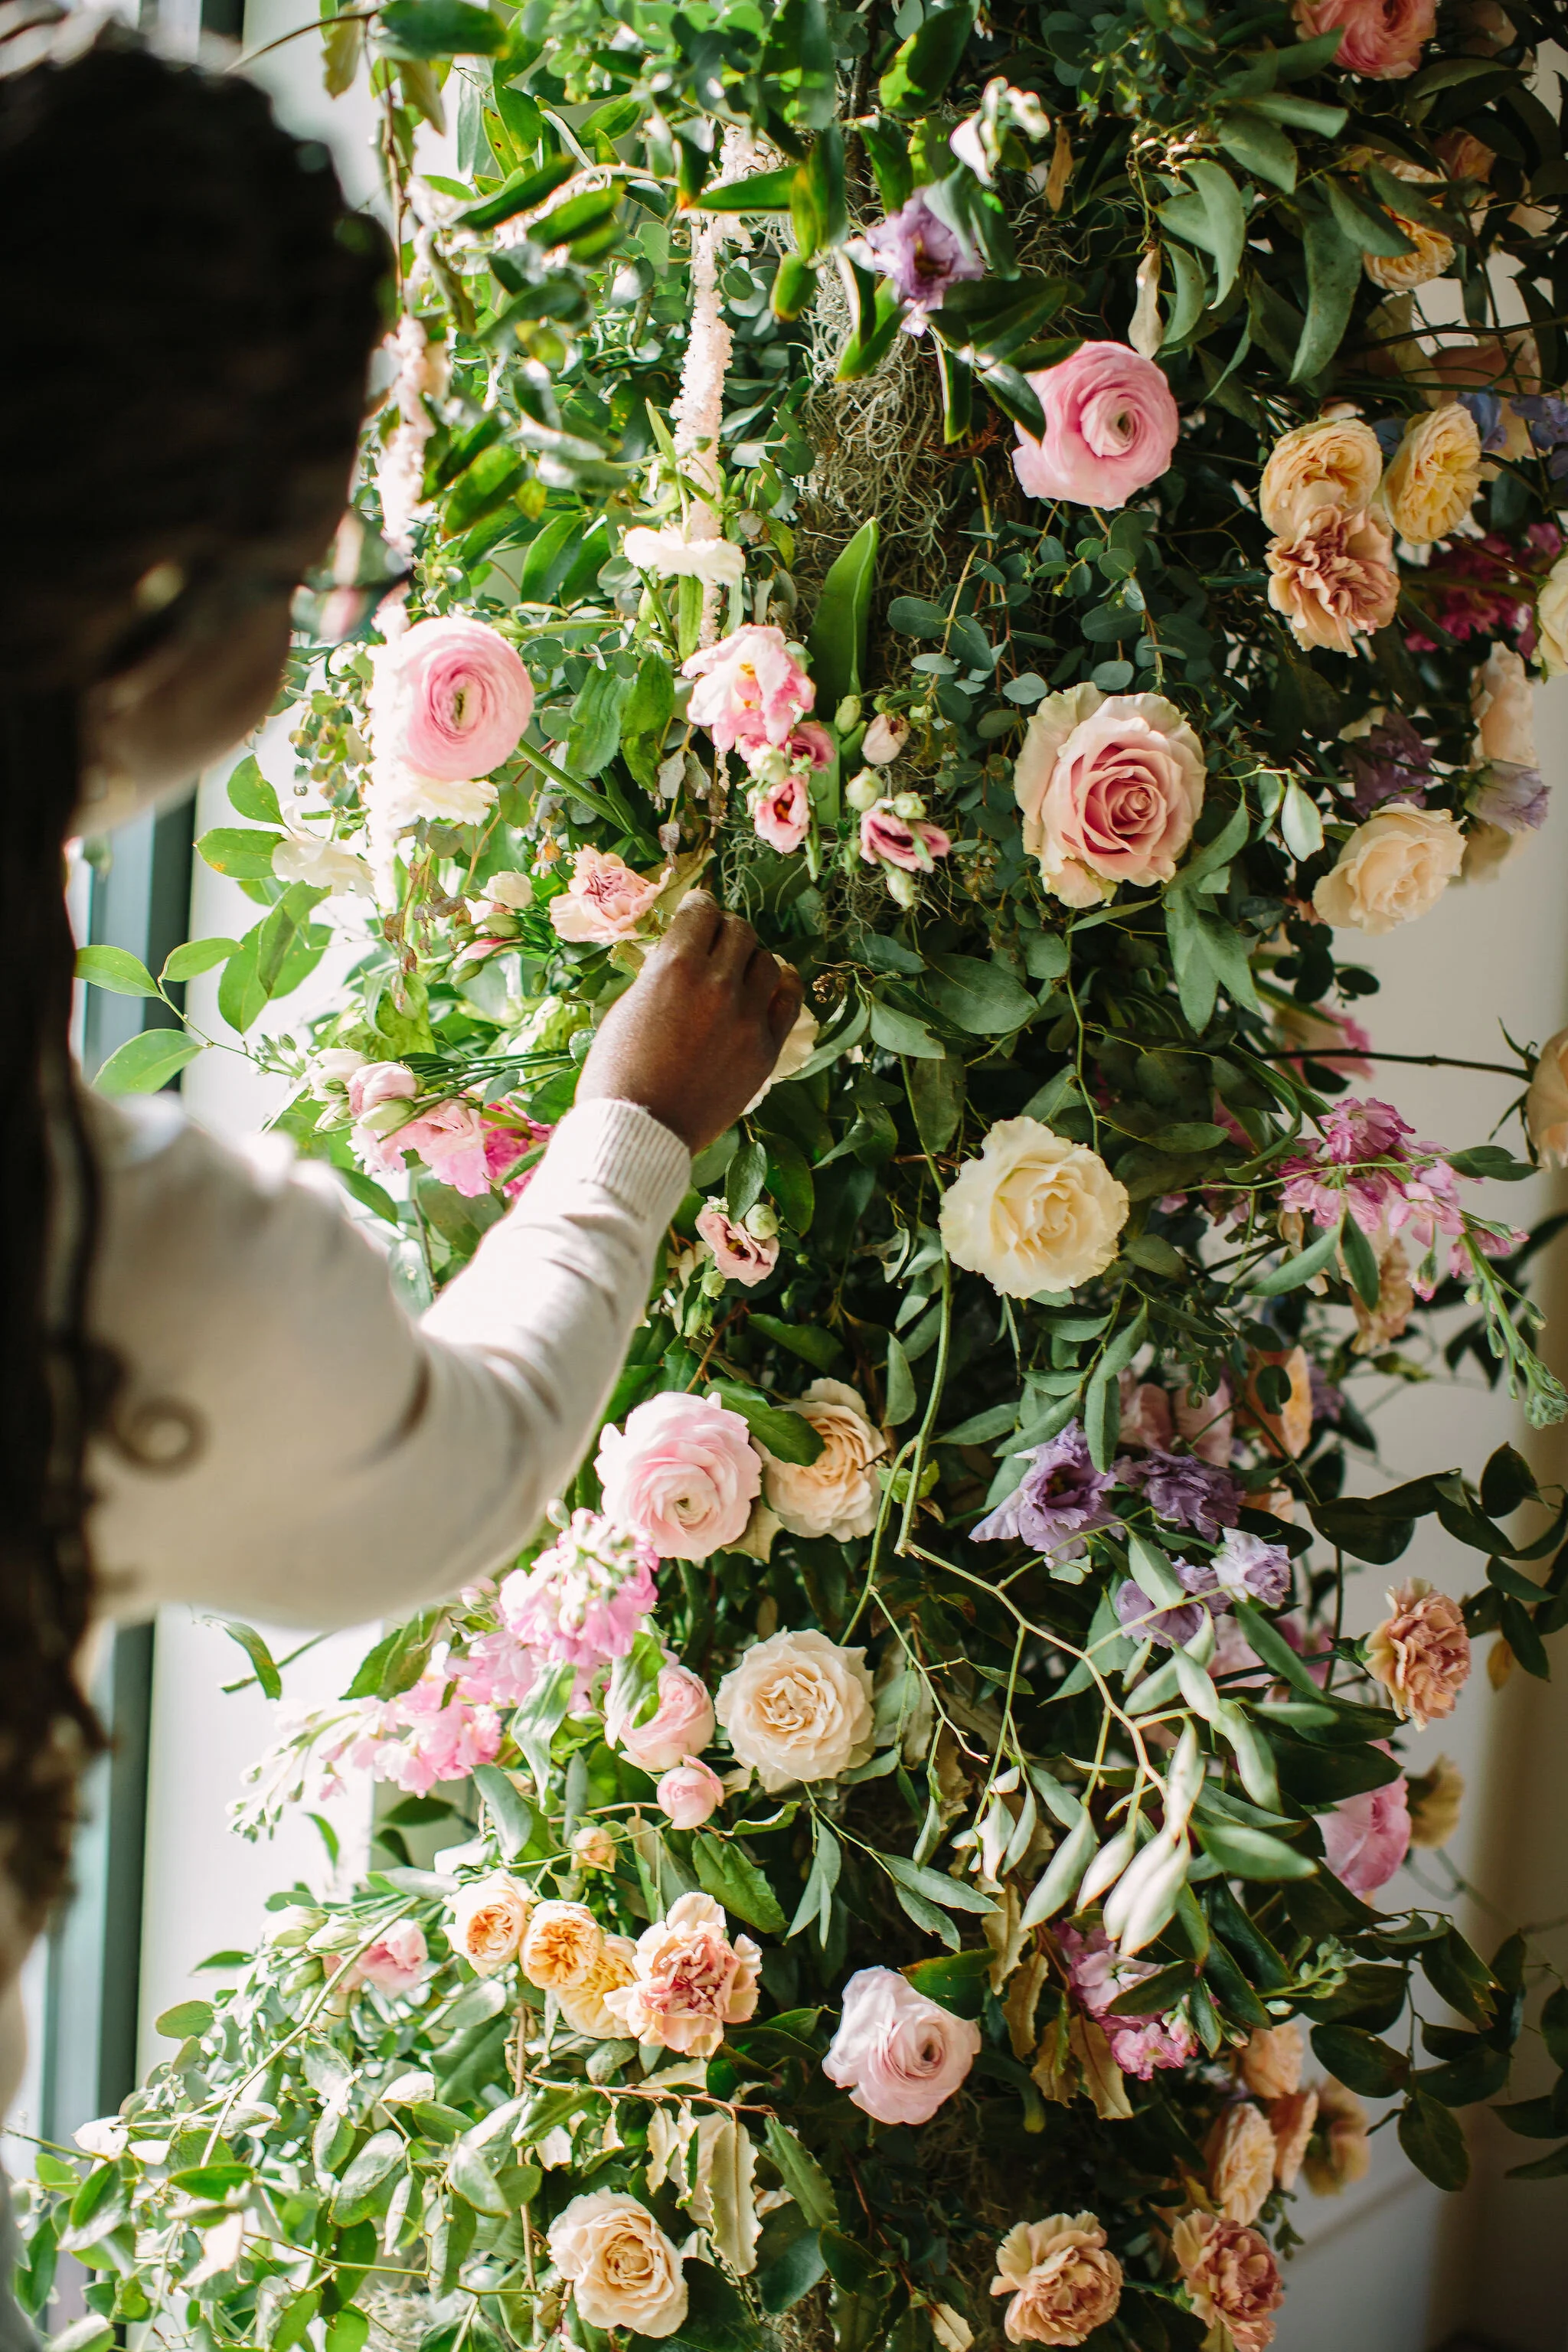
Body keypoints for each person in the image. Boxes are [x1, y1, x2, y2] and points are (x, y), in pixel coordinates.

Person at [0, 8, 801, 2141]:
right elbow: (462, 1463)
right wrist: (636, 1126)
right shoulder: (96, 1260)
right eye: (315, 568)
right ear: (169, 612)